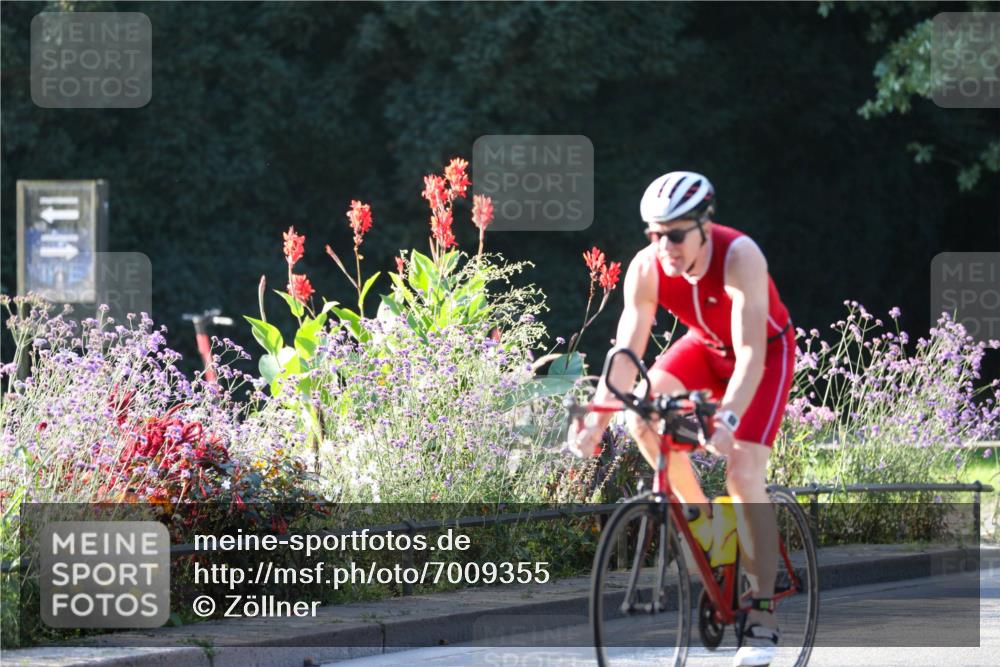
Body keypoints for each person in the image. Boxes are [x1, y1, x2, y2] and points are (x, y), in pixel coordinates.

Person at [569, 171, 796, 667]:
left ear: (703, 227)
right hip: (705, 350)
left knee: (741, 472)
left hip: (763, 356)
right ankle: (712, 532)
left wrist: (728, 420)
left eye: (674, 233)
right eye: (654, 233)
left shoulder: (740, 256)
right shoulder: (647, 269)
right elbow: (627, 355)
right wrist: (598, 421)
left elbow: (752, 352)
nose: (663, 244)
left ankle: (761, 615)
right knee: (642, 421)